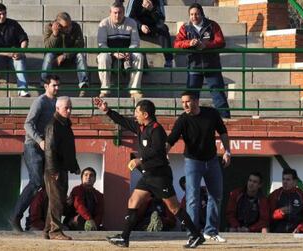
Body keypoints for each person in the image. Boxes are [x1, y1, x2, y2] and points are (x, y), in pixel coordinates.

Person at [94, 97, 204, 248]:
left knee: (173, 207)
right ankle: (124, 238)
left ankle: (196, 235)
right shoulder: (141, 127)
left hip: (160, 176)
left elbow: (158, 151)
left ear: (145, 114)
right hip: (148, 176)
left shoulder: (157, 130)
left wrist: (139, 160)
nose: (135, 115)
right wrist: (107, 110)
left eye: (137, 112)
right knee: (133, 201)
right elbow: (123, 121)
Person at [166, 91, 231, 243]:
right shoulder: (183, 119)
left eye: (187, 102)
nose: (185, 105)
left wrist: (227, 151)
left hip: (212, 160)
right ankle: (193, 233)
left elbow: (223, 132)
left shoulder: (211, 113)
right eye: (182, 102)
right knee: (192, 198)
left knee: (216, 195)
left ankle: (211, 231)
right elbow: (172, 138)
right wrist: (165, 152)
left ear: (196, 101)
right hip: (193, 161)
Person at [9, 74, 60, 232]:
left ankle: (39, 221)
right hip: (33, 146)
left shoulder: (57, 103)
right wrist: (40, 141)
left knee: (49, 184)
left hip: (47, 147)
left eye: (58, 85)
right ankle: (15, 216)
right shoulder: (40, 102)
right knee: (37, 181)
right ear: (46, 86)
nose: (57, 88)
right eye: (54, 85)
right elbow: (27, 125)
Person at [174, 3, 230, 118]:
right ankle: (191, 119)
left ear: (202, 14)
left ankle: (225, 119)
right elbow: (176, 44)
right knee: (192, 97)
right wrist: (189, 43)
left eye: (197, 14)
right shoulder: (185, 27)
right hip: (194, 66)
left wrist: (205, 45)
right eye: (191, 14)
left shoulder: (212, 25)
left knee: (218, 95)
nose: (194, 17)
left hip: (212, 65)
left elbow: (221, 42)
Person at [43, 96, 81, 240]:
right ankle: (55, 231)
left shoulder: (65, 124)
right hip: (55, 170)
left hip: (62, 168)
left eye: (71, 107)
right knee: (57, 201)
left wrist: (74, 166)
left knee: (56, 200)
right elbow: (50, 150)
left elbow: (68, 149)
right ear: (57, 108)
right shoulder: (54, 125)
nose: (69, 110)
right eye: (66, 108)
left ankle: (48, 230)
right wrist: (54, 171)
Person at [97, 1, 144, 99]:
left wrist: (129, 51)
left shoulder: (132, 23)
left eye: (120, 13)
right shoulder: (104, 23)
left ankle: (134, 90)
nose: (117, 15)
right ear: (110, 13)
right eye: (115, 13)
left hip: (127, 53)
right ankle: (105, 90)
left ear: (124, 13)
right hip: (110, 53)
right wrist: (113, 53)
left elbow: (135, 42)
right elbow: (101, 45)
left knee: (139, 56)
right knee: (103, 57)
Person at [0, 3, 30, 97]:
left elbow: (24, 39)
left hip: (14, 57)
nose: (2, 16)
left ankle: (23, 90)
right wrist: (7, 53)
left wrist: (20, 52)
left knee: (20, 59)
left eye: (4, 13)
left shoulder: (13, 24)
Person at [42, 12, 89, 97]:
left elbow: (80, 46)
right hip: (55, 58)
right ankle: (44, 84)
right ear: (58, 25)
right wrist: (54, 34)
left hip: (70, 57)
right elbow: (47, 47)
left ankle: (84, 86)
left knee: (80, 55)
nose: (69, 28)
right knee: (48, 55)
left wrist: (65, 55)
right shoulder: (49, 27)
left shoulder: (75, 27)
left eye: (70, 25)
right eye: (66, 27)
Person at [126, 0, 173, 67]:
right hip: (138, 27)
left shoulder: (158, 1)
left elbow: (161, 20)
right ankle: (126, 58)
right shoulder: (134, 1)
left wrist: (152, 10)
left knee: (164, 28)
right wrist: (140, 26)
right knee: (127, 28)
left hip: (152, 27)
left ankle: (168, 60)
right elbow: (129, 18)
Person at [269, 169, 303, 233]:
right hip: (278, 232)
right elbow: (267, 215)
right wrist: (279, 213)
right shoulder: (275, 194)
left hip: (297, 233)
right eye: (283, 179)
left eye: (288, 180)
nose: (285, 182)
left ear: (294, 182)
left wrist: (301, 228)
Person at [65, 167, 104, 231]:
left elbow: (100, 212)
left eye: (91, 175)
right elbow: (79, 205)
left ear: (94, 179)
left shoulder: (99, 195)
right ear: (82, 178)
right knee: (79, 219)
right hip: (75, 220)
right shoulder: (77, 190)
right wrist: (89, 219)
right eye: (86, 175)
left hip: (91, 222)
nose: (88, 177)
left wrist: (95, 224)